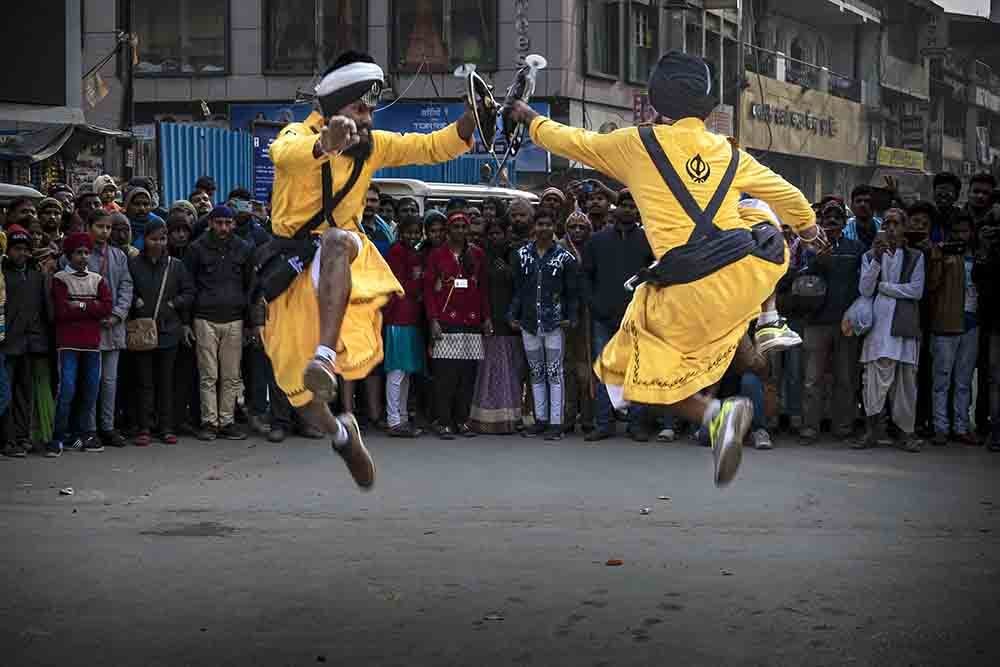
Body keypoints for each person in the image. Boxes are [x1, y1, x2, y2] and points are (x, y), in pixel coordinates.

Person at [507, 50, 818, 485]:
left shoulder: (638, 144)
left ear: (655, 102)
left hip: (685, 288)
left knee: (636, 377)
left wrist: (526, 117)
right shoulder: (731, 154)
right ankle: (765, 326)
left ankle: (715, 407)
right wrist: (806, 230)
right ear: (707, 105)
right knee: (759, 211)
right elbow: (796, 203)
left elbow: (571, 141)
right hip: (751, 270)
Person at [263, 50, 476, 488]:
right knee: (297, 391)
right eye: (359, 109)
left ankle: (325, 355)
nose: (367, 117)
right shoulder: (295, 134)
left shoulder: (374, 146)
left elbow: (434, 145)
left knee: (339, 239)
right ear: (334, 106)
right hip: (291, 268)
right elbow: (286, 155)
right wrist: (325, 143)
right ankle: (342, 435)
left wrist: (473, 118)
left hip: (343, 257)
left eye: (370, 109)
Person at [184, 206, 260, 442]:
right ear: (211, 223)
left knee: (231, 376)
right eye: (219, 223)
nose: (224, 228)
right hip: (204, 318)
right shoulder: (196, 249)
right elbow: (188, 288)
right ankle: (209, 422)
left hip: (235, 319)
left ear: (234, 224)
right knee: (208, 375)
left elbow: (251, 288)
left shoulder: (244, 248)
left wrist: (250, 324)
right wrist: (186, 322)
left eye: (228, 223)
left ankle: (227, 422)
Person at [579, 206, 655, 442]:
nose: (628, 209)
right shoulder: (597, 240)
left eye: (632, 205)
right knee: (604, 369)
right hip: (604, 317)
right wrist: (595, 304)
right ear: (615, 209)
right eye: (624, 204)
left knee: (638, 369)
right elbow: (585, 276)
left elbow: (658, 275)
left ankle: (636, 424)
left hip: (637, 319)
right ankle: (604, 423)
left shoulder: (648, 240)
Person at [62, 210, 133, 449]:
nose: (105, 232)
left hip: (112, 327)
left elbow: (126, 287)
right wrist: (92, 313)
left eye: (108, 228)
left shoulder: (118, 256)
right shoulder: (78, 255)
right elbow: (69, 291)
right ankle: (89, 428)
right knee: (91, 380)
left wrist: (116, 315)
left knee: (110, 381)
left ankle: (108, 426)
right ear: (89, 226)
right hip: (86, 328)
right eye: (100, 227)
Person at [857, 208, 925, 452]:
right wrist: (876, 258)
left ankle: (906, 433)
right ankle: (871, 431)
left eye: (897, 223)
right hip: (878, 329)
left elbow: (916, 291)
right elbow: (865, 290)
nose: (892, 228)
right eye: (887, 223)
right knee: (874, 381)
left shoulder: (915, 256)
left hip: (904, 327)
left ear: (904, 228)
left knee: (906, 383)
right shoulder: (870, 255)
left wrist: (884, 287)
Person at [797, 199, 865, 443]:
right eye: (828, 217)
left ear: (844, 222)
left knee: (845, 379)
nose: (833, 221)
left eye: (837, 217)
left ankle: (843, 428)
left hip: (845, 322)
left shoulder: (855, 248)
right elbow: (800, 279)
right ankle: (809, 428)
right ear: (821, 222)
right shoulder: (810, 248)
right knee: (812, 380)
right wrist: (818, 262)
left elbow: (864, 283)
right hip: (816, 322)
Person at [509, 208, 579, 441]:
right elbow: (517, 289)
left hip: (554, 323)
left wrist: (571, 316)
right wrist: (513, 314)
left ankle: (556, 424)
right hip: (529, 323)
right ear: (534, 227)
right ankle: (540, 420)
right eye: (540, 224)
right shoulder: (521, 255)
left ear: (554, 226)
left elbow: (571, 292)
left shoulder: (564, 258)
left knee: (554, 372)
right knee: (536, 372)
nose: (544, 229)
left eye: (548, 224)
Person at [128, 219, 196, 445]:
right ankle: (144, 427)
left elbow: (189, 292)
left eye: (162, 238)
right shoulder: (134, 264)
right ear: (145, 240)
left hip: (168, 332)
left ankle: (166, 427)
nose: (158, 243)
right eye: (153, 238)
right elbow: (124, 288)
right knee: (143, 381)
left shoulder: (175, 266)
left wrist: (173, 304)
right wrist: (133, 301)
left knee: (166, 381)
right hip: (142, 331)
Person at [424, 211, 491, 439]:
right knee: (445, 376)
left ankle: (462, 421)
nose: (460, 231)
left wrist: (487, 317)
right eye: (456, 227)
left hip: (471, 322)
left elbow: (483, 289)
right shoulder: (437, 255)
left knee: (467, 376)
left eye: (464, 227)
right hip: (446, 322)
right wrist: (433, 320)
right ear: (448, 230)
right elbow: (429, 291)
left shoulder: (477, 254)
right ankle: (443, 422)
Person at [47, 232, 113, 457]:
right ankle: (58, 437)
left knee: (90, 391)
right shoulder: (60, 279)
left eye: (87, 252)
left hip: (92, 345)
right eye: (78, 252)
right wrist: (90, 307)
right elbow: (61, 311)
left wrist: (81, 307)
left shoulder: (98, 280)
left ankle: (80, 434)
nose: (83, 257)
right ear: (68, 255)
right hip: (67, 345)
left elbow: (106, 307)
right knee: (66, 390)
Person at [927, 213, 980, 445]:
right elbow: (931, 286)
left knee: (963, 380)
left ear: (971, 233)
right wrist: (938, 259)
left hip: (971, 324)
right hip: (946, 325)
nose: (960, 236)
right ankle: (940, 427)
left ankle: (961, 426)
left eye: (965, 231)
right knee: (941, 380)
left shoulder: (979, 256)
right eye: (956, 232)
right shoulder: (942, 254)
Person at [470, 216, 524, 435]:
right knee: (488, 371)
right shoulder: (483, 256)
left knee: (509, 371)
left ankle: (509, 418)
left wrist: (509, 272)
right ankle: (486, 419)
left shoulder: (515, 255)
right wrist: (485, 317)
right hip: (489, 319)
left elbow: (521, 286)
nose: (494, 237)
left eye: (498, 233)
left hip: (509, 321)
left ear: (506, 234)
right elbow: (480, 289)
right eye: (491, 234)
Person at [0, 226, 49, 457]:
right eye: (17, 249)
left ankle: (22, 436)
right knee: (6, 394)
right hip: (8, 344)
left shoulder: (36, 276)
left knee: (24, 393)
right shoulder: (3, 275)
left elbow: (43, 309)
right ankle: (8, 440)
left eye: (25, 250)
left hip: (30, 344)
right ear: (8, 250)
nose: (22, 254)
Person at [382, 215, 426, 437]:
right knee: (397, 372)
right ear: (401, 232)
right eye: (410, 232)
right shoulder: (397, 252)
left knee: (405, 372)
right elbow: (401, 284)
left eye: (417, 232)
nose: (414, 236)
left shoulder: (412, 253)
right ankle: (394, 420)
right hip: (398, 317)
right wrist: (421, 282)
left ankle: (401, 417)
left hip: (409, 317)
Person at [560, 209, 595, 435]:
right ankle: (568, 416)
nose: (577, 231)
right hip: (565, 313)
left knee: (587, 368)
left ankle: (589, 417)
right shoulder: (560, 249)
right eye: (572, 227)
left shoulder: (594, 248)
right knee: (567, 367)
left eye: (582, 227)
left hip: (589, 314)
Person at [973, 209, 1000, 450]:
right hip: (994, 322)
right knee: (994, 379)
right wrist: (984, 248)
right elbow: (978, 276)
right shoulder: (987, 249)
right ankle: (995, 431)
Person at [123, 187, 164, 251]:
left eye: (146, 204)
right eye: (137, 204)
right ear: (127, 205)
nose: (142, 208)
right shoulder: (121, 224)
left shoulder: (157, 224)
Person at [843, 185, 881, 251]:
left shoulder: (882, 226)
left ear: (874, 205)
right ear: (852, 206)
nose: (862, 204)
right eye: (858, 201)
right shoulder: (844, 230)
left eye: (867, 201)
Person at [932, 171, 963, 242]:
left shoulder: (962, 217)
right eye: (941, 189)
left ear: (957, 196)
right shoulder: (928, 216)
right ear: (933, 193)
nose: (943, 194)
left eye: (948, 190)